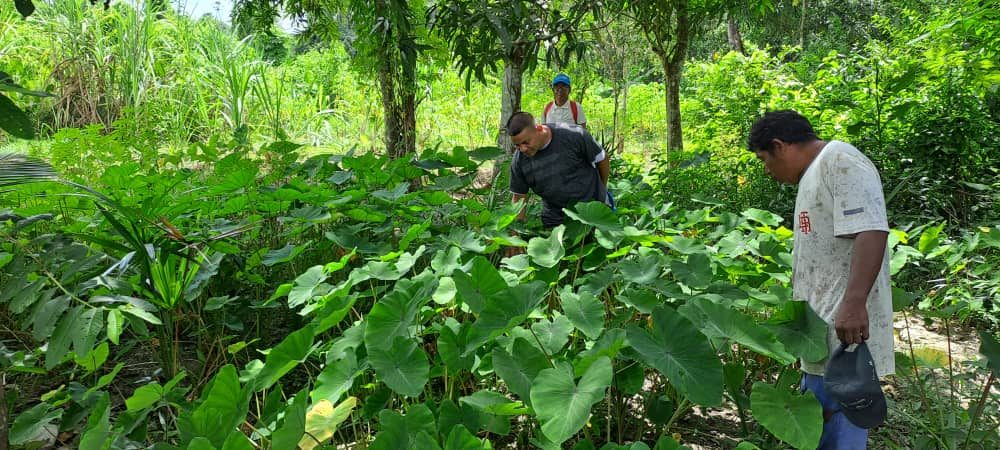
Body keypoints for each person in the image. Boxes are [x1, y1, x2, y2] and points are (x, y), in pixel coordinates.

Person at [748, 110, 894, 449]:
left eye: (763, 159)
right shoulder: (812, 173)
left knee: (839, 429)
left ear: (780, 146)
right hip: (822, 333)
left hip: (844, 333)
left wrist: (855, 303)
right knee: (821, 430)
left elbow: (871, 230)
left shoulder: (840, 160)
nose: (766, 170)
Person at [506, 111, 609, 238]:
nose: (523, 149)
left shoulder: (574, 135)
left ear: (538, 128)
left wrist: (602, 190)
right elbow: (519, 197)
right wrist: (515, 234)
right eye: (517, 146)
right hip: (555, 218)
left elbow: (602, 160)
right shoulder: (519, 160)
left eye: (526, 142)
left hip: (590, 211)